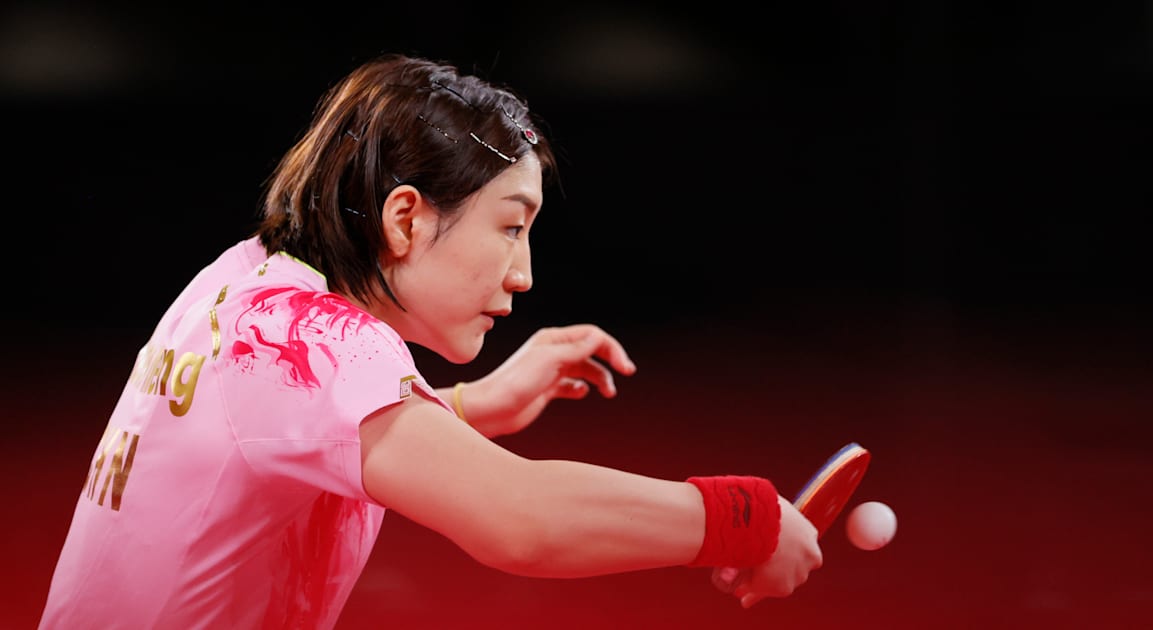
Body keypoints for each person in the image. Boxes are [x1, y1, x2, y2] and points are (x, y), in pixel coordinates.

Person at [38, 53, 823, 629]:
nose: (523, 275)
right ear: (406, 217)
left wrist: (469, 405)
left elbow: (289, 435)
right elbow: (520, 518)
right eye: (510, 227)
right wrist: (741, 516)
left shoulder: (241, 284)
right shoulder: (311, 341)